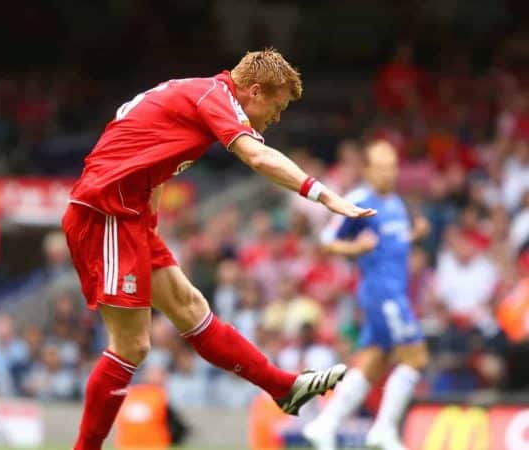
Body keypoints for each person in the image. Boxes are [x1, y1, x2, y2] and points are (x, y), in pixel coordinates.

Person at [62, 48, 376, 450]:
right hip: (105, 211)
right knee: (132, 345)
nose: (275, 119)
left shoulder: (197, 94)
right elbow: (256, 155)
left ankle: (283, 387)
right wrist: (324, 195)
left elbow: (149, 153)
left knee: (192, 308)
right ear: (255, 92)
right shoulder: (216, 97)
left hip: (129, 215)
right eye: (276, 108)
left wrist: (149, 215)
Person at [304, 141, 429, 450]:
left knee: (373, 362)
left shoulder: (396, 203)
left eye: (393, 166)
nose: (390, 173)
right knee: (416, 356)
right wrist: (355, 248)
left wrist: (415, 234)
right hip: (381, 294)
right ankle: (383, 430)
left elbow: (391, 241)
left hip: (395, 292)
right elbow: (326, 240)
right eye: (383, 167)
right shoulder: (360, 200)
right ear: (368, 170)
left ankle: (324, 424)